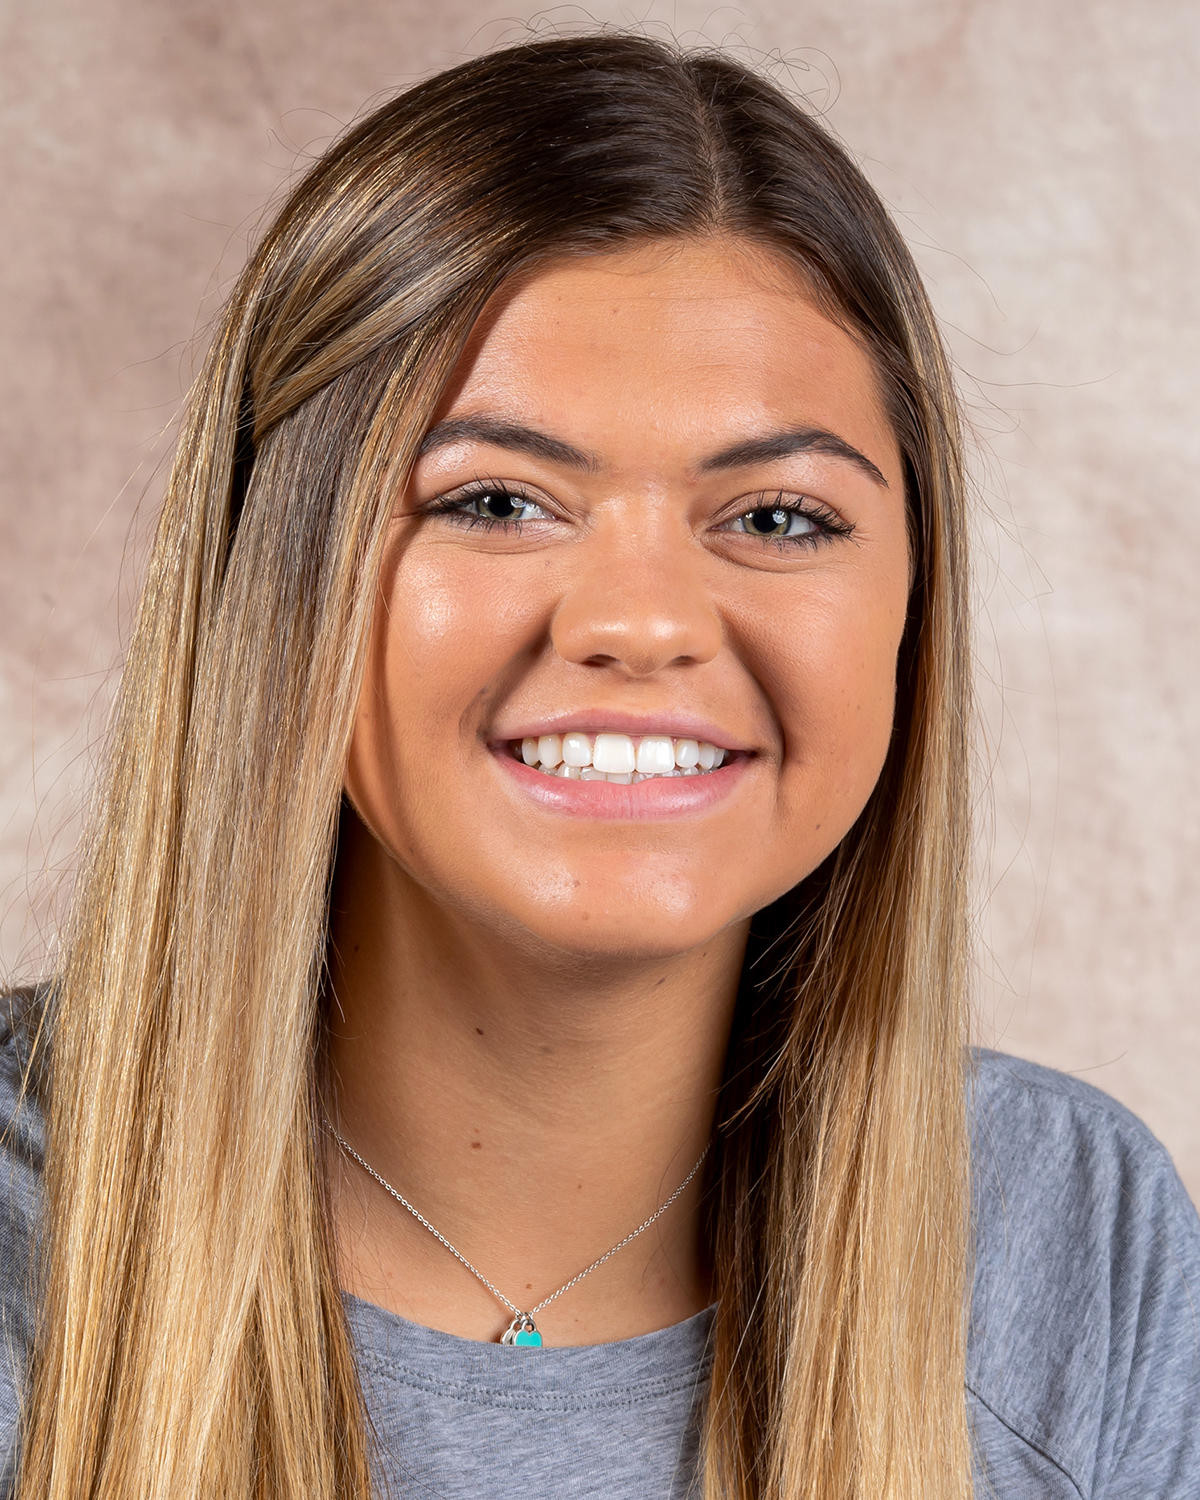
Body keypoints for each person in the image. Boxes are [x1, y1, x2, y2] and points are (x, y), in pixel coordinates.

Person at [1, 30, 1197, 1500]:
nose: (643, 623)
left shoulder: (1070, 1244)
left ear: (912, 601)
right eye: (497, 500)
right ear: (276, 579)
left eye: (777, 518)